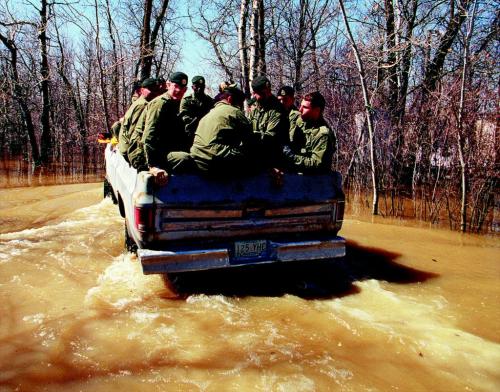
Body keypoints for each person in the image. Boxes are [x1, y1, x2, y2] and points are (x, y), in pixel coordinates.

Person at [185, 85, 255, 175]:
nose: (240, 107)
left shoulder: (210, 112)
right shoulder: (234, 111)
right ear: (229, 99)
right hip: (215, 163)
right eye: (239, 104)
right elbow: (251, 139)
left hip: (198, 160)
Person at [140, 72, 189, 184]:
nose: (178, 90)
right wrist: (153, 166)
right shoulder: (160, 104)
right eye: (175, 86)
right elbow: (149, 136)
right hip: (153, 153)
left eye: (182, 88)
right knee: (185, 159)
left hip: (167, 149)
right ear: (168, 85)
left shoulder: (178, 104)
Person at [281, 91, 336, 173]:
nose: (300, 110)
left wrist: (292, 157)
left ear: (317, 110)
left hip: (313, 180)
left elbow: (316, 164)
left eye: (305, 108)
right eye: (301, 106)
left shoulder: (322, 134)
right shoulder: (300, 121)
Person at [117, 77, 162, 162]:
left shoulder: (143, 102)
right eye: (150, 89)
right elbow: (134, 133)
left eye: (156, 90)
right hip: (129, 149)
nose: (154, 92)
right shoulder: (142, 105)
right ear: (142, 90)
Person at [248, 75, 289, 166]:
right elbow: (248, 125)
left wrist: (248, 136)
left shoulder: (277, 109)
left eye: (256, 93)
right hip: (256, 155)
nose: (254, 96)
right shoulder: (255, 106)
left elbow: (270, 138)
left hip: (272, 159)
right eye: (254, 93)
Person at [179, 75, 213, 143]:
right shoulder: (187, 100)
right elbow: (185, 118)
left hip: (206, 133)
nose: (199, 89)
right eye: (197, 86)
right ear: (192, 87)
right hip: (189, 133)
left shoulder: (210, 101)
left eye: (201, 87)